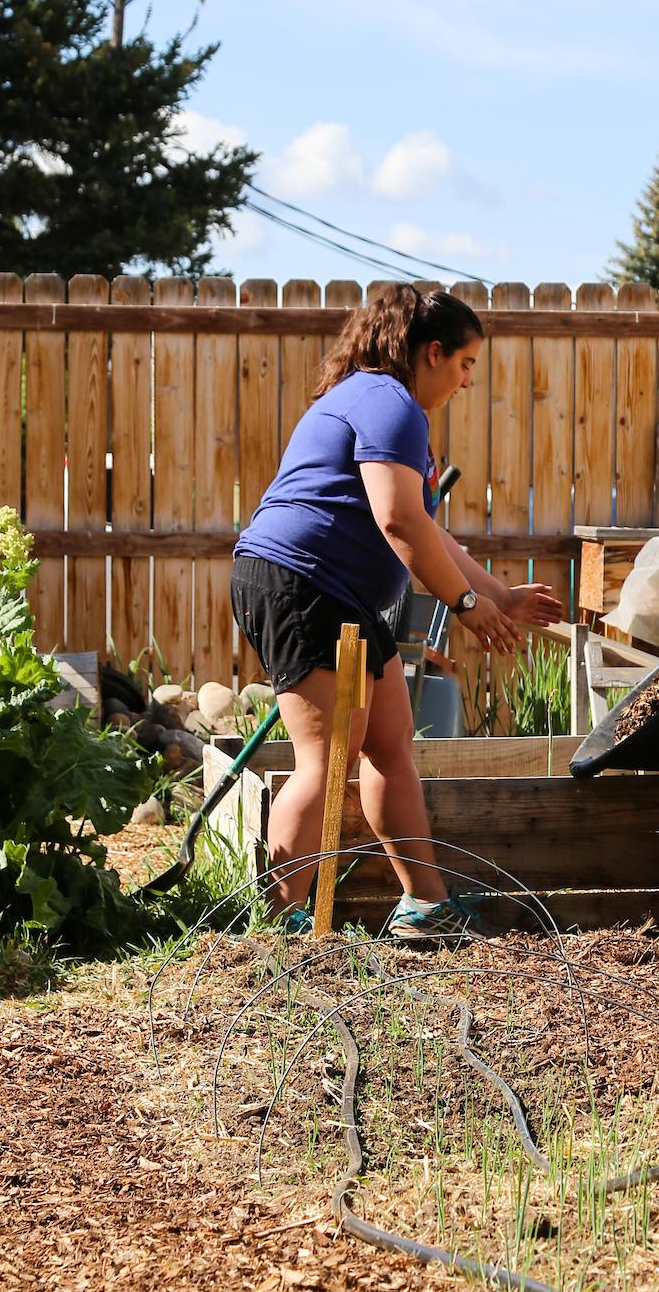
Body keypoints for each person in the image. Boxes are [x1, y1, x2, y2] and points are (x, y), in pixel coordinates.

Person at [231, 285, 562, 941]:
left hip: (341, 595)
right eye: (465, 364)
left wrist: (500, 595)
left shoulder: (370, 398)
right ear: (431, 352)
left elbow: (428, 534)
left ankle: (425, 906)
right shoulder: (390, 403)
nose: (468, 381)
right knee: (327, 760)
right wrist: (464, 606)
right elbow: (398, 518)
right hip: (306, 585)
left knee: (389, 748)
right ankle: (278, 926)